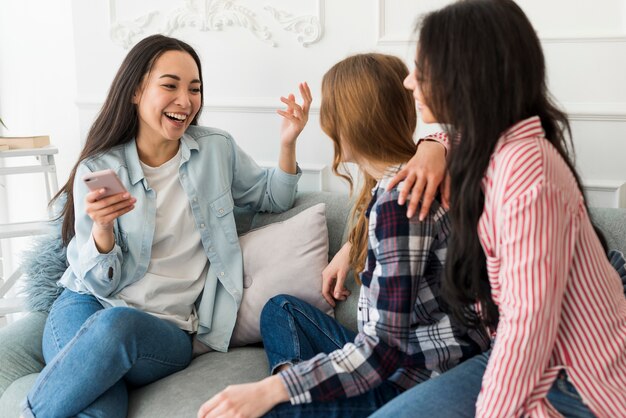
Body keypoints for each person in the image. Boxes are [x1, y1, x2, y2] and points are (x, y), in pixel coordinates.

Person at [21, 34, 311, 418]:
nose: (186, 100)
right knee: (101, 409)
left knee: (116, 327)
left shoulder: (216, 150)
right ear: (137, 90)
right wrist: (103, 231)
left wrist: (288, 143)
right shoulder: (100, 168)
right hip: (85, 305)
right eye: (170, 85)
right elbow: (97, 283)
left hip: (165, 332)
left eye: (194, 89)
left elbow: (274, 198)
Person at [197, 53, 490, 418]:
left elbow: (382, 354)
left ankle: (298, 400)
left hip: (413, 377)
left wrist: (274, 390)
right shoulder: (413, 175)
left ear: (344, 124)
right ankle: (309, 396)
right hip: (406, 357)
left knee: (261, 412)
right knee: (280, 308)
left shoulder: (400, 202)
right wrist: (353, 244)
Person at [372, 1, 626, 417]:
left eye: (420, 69)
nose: (407, 82)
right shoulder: (493, 147)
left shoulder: (528, 171)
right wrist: (434, 143)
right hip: (526, 356)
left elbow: (529, 326)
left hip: (575, 376)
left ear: (466, 74)